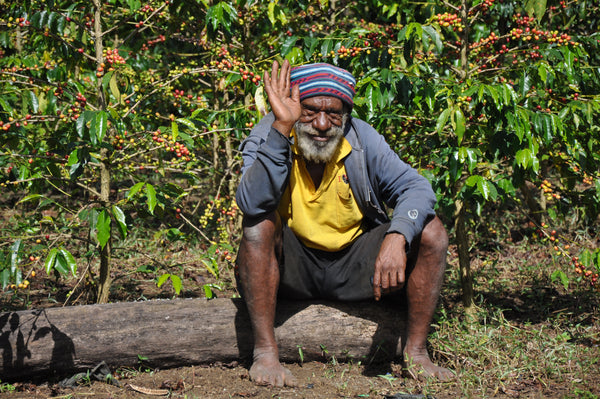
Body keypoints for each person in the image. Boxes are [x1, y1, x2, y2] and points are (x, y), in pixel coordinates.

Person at [235, 59, 454, 387]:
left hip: (354, 265)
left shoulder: (363, 139)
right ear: (294, 106)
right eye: (309, 111)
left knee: (432, 231)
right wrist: (282, 128)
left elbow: (417, 187)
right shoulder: (271, 132)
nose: (322, 124)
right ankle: (265, 352)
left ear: (346, 114)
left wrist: (397, 235)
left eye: (333, 113)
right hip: (293, 266)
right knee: (258, 225)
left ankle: (417, 353)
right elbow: (251, 203)